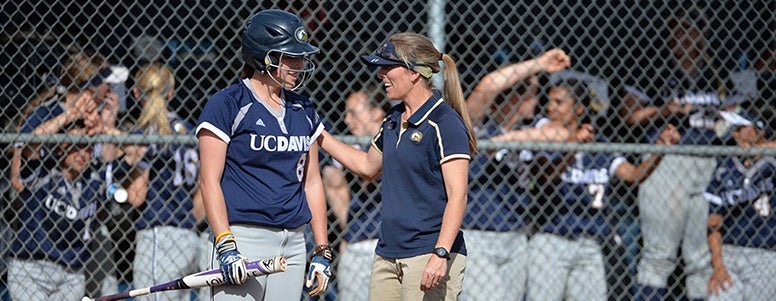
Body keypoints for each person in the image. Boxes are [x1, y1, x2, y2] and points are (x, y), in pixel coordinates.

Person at [318, 32, 477, 300]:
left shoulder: (444, 122)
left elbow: (458, 195)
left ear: (414, 72)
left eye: (388, 67)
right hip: (388, 252)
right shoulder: (394, 119)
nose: (380, 74)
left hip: (428, 252)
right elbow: (367, 166)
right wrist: (318, 134)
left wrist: (441, 253)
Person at [494, 78, 680, 300]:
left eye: (559, 102)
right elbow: (545, 174)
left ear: (579, 109)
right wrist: (574, 147)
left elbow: (634, 175)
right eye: (550, 101)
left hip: (590, 242)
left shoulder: (599, 145)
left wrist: (659, 150)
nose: (550, 107)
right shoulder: (543, 140)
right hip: (551, 241)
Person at [195, 9, 332, 300]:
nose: (298, 65)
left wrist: (322, 249)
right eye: (289, 57)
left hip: (293, 242)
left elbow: (312, 183)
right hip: (243, 237)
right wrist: (226, 245)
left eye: (300, 57)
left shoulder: (303, 109)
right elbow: (209, 181)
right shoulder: (228, 103)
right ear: (263, 57)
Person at [634, 11, 732, 300]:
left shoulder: (717, 70)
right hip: (668, 162)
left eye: (692, 30)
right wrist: (666, 111)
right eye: (679, 30)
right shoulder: (654, 66)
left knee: (701, 258)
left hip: (709, 162)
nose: (685, 37)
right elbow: (631, 115)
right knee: (660, 255)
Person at [461, 48, 570, 301]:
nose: (537, 100)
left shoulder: (529, 128)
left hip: (516, 236)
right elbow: (488, 86)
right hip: (477, 235)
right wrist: (539, 64)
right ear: (514, 97)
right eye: (531, 93)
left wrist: (505, 140)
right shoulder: (478, 126)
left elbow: (562, 134)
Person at [7, 89, 112, 300]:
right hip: (31, 269)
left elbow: (134, 151)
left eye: (88, 148)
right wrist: (70, 116)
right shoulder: (42, 172)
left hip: (71, 274)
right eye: (74, 147)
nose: (82, 154)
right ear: (59, 148)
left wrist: (103, 128)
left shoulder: (94, 178)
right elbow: (31, 142)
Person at [119, 62, 205, 301]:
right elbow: (204, 193)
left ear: (136, 92)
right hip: (188, 235)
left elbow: (137, 196)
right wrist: (186, 219)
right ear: (171, 92)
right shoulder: (188, 130)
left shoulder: (145, 132)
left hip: (159, 233)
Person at [320, 85, 386, 301]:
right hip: (359, 238)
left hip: (392, 241)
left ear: (377, 113)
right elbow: (334, 183)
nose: (348, 120)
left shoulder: (395, 138)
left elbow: (371, 171)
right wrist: (349, 228)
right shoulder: (354, 148)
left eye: (354, 113)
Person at [704, 111, 776, 301]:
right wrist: (718, 266)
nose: (734, 135)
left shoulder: (771, 162)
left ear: (758, 130)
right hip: (729, 254)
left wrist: (762, 148)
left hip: (765, 256)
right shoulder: (725, 166)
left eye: (739, 128)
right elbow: (713, 224)